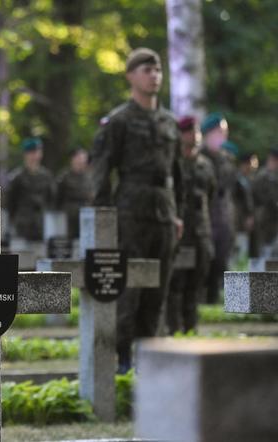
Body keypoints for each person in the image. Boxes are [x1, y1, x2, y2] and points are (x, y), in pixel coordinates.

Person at [90, 48, 183, 373]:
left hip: (163, 212)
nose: (154, 76)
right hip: (129, 211)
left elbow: (177, 173)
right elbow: (101, 169)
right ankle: (124, 358)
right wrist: (103, 216)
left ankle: (150, 355)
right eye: (146, 70)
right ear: (131, 76)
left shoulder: (169, 122)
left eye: (157, 70)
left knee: (159, 289)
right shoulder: (119, 121)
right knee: (128, 287)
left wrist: (178, 213)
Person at [166, 116, 216, 334]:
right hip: (179, 232)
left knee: (196, 285)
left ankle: (191, 329)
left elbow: (211, 195)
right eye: (189, 131)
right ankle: (174, 330)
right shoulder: (172, 161)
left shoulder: (206, 164)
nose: (194, 136)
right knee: (175, 284)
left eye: (196, 131)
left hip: (201, 232)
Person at [200, 112, 236, 303]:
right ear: (209, 133)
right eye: (220, 132)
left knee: (223, 258)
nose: (224, 136)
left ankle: (220, 300)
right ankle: (202, 300)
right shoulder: (199, 157)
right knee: (205, 260)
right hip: (203, 216)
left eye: (225, 132)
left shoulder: (227, 158)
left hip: (223, 216)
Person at [6, 138, 54, 241]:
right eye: (31, 153)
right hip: (22, 227)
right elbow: (10, 203)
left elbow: (51, 199)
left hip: (41, 227)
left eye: (37, 152)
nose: (35, 156)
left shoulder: (46, 176)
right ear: (25, 154)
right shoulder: (17, 177)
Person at [54, 148, 94, 241]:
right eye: (79, 158)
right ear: (73, 159)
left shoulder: (90, 177)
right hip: (69, 218)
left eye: (84, 159)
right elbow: (57, 198)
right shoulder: (64, 177)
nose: (82, 161)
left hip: (86, 217)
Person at [251, 148, 278, 257]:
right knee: (264, 254)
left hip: (273, 222)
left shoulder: (274, 176)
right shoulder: (262, 176)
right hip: (264, 221)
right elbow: (257, 198)